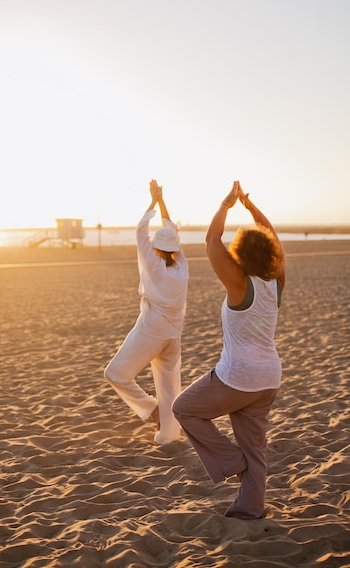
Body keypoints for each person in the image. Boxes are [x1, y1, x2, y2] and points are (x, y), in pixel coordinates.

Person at [173, 181, 285, 519]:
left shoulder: (239, 283)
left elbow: (211, 241)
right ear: (268, 254)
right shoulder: (277, 281)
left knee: (185, 409)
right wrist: (251, 209)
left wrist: (226, 205)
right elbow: (275, 237)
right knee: (256, 448)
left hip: (237, 378)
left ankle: (232, 462)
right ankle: (250, 509)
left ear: (241, 253)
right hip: (269, 379)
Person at [104, 179, 189, 445]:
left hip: (151, 330)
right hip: (173, 336)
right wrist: (162, 203)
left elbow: (141, 229)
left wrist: (153, 200)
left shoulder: (152, 263)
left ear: (155, 248)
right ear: (174, 250)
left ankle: (152, 410)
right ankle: (167, 435)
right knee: (170, 390)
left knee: (115, 374)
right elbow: (171, 230)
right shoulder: (182, 266)